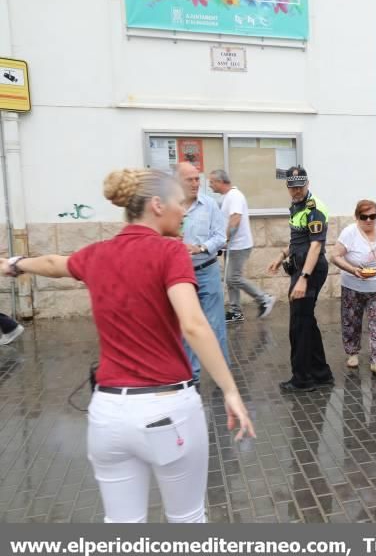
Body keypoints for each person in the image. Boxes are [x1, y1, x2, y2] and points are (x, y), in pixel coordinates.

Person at [0, 168, 255, 523]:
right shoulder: (170, 252)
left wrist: (12, 264)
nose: (184, 211)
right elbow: (194, 324)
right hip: (168, 411)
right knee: (187, 520)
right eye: (179, 203)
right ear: (156, 205)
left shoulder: (98, 253)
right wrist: (230, 390)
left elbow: (55, 264)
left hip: (107, 416)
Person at [267, 167, 334, 392]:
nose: (296, 190)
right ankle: (321, 373)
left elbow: (316, 246)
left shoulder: (315, 208)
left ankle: (302, 379)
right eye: (292, 186)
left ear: (307, 183)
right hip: (300, 268)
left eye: (300, 186)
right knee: (306, 321)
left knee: (299, 325)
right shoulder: (297, 206)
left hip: (310, 270)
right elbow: (298, 239)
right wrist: (281, 256)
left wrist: (304, 278)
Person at [330, 200, 376, 378]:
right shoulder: (349, 233)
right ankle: (352, 353)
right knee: (351, 322)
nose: (369, 220)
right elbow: (334, 256)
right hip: (352, 286)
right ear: (357, 217)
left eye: (373, 216)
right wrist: (353, 270)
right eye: (364, 217)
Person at [175, 162, 228, 382]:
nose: (196, 183)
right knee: (187, 325)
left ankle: (222, 375)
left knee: (215, 325)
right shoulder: (169, 206)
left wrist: (201, 248)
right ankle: (192, 376)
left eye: (198, 179)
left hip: (207, 271)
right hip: (180, 276)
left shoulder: (209, 205)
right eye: (190, 179)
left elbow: (220, 237)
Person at [208, 169, 275, 323]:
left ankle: (264, 299)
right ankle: (235, 311)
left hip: (239, 245)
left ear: (220, 182)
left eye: (212, 182)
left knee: (233, 278)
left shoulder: (234, 196)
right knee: (230, 278)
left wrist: (224, 239)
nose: (210, 186)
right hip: (232, 245)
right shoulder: (228, 197)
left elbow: (235, 219)